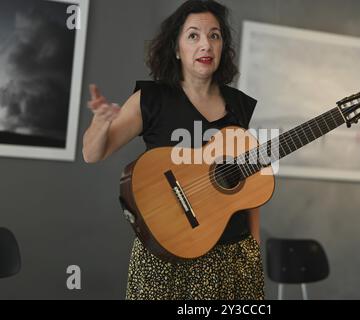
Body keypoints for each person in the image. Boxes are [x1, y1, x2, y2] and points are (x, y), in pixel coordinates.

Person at [82, 0, 264, 300]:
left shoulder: (240, 105)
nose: (205, 44)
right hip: (166, 254)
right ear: (177, 48)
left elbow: (247, 179)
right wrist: (101, 123)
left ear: (222, 47)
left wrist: (253, 246)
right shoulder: (150, 99)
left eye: (214, 35)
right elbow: (92, 154)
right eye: (193, 35)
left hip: (231, 255)